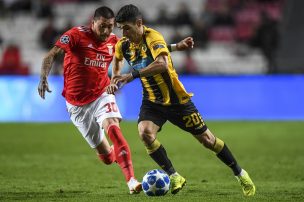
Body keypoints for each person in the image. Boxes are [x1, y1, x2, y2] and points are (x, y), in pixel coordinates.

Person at [37, 6, 193, 194]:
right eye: (102, 26)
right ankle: (116, 154)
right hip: (76, 105)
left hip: (102, 94)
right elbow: (51, 54)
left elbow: (145, 50)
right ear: (93, 23)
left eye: (110, 27)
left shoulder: (114, 41)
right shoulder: (76, 35)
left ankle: (131, 181)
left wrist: (176, 47)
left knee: (114, 129)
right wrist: (43, 77)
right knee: (107, 158)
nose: (106, 31)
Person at [108, 4, 256, 196]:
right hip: (152, 101)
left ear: (139, 23)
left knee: (208, 140)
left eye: (127, 28)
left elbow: (161, 63)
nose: (124, 33)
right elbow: (117, 60)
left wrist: (132, 75)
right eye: (121, 29)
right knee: (145, 133)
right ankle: (174, 175)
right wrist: (114, 79)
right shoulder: (124, 45)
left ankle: (240, 173)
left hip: (178, 101)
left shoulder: (153, 36)